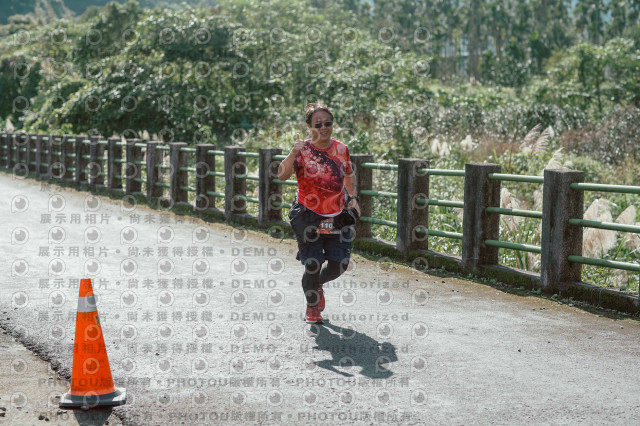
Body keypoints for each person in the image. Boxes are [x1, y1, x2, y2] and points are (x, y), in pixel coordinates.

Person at [278, 103, 360, 324]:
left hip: (337, 214)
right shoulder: (302, 150)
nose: (323, 128)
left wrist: (353, 198)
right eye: (318, 124)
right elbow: (281, 175)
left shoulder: (341, 149)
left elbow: (348, 174)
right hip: (308, 214)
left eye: (327, 123)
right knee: (312, 264)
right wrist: (293, 152)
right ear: (309, 127)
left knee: (339, 264)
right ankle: (312, 308)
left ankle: (317, 284)